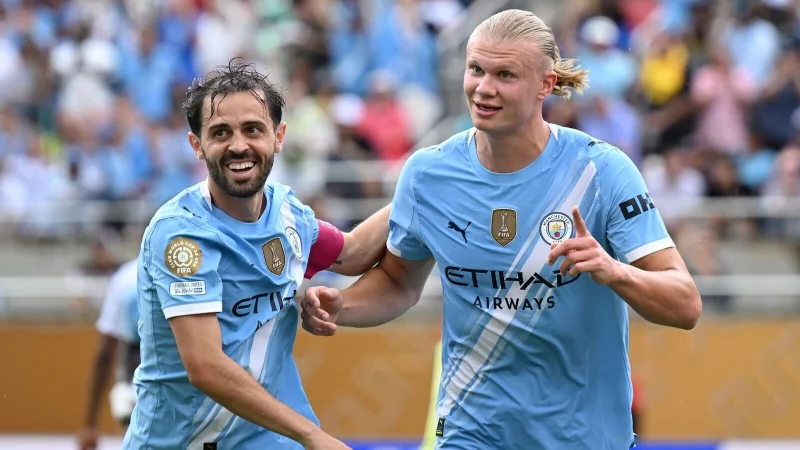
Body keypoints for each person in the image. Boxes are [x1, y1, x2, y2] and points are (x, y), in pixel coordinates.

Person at [301, 9, 702, 449]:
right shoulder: (428, 172)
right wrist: (343, 305)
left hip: (582, 437)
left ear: (546, 85)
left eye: (506, 74)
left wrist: (612, 270)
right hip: (468, 433)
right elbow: (397, 281)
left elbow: (685, 305)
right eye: (476, 69)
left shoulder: (601, 170)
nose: (484, 88)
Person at [123, 59, 390, 450]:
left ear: (279, 136)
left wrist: (416, 186)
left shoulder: (287, 211)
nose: (238, 145)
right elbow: (206, 367)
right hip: (180, 442)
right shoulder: (181, 235)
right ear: (196, 145)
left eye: (253, 129)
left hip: (269, 440)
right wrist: (312, 436)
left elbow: (353, 253)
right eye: (220, 132)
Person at [78, 259, 140, 450]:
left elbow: (105, 354)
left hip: (138, 387)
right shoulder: (200, 266)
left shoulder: (126, 278)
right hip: (187, 388)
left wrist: (89, 424)